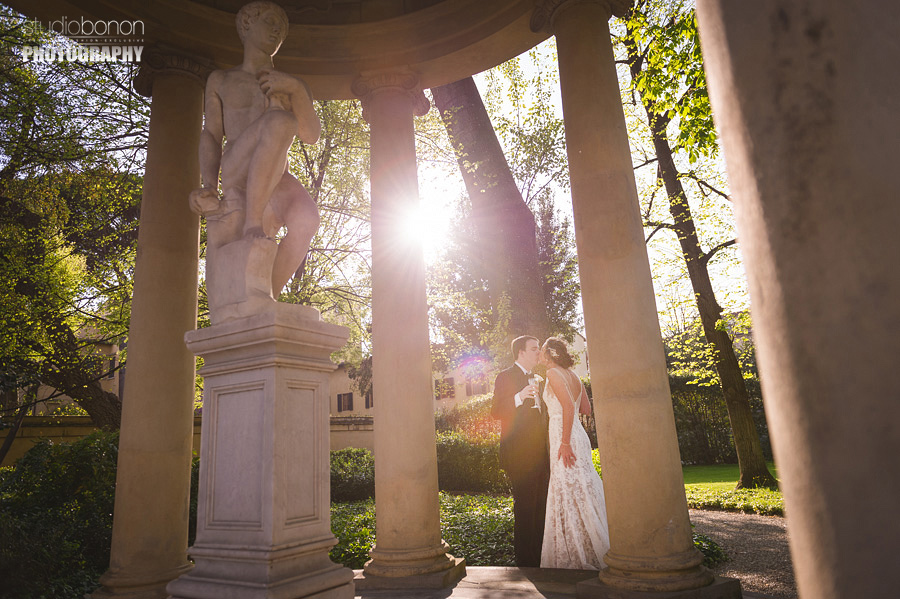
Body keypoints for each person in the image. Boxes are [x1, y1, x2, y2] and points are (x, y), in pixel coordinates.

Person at [190, 0, 321, 300]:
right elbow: (211, 134)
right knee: (278, 121)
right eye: (270, 21)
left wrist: (297, 90)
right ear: (247, 24)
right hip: (238, 166)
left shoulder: (291, 85)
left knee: (306, 220)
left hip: (278, 175)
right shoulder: (222, 80)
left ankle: (266, 296)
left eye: (282, 29)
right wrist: (209, 185)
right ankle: (253, 222)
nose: (277, 30)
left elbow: (311, 135)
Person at [539, 337, 610, 570]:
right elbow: (585, 409)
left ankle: (579, 553)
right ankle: (595, 542)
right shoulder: (575, 376)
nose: (540, 356)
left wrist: (565, 441)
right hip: (579, 434)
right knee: (582, 485)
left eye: (542, 352)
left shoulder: (552, 374)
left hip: (565, 435)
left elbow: (569, 408)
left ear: (550, 354)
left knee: (566, 487)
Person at [491, 335, 550, 567]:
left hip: (541, 455)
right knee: (525, 508)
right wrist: (518, 397)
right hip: (518, 455)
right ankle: (526, 564)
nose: (539, 352)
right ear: (521, 352)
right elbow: (495, 412)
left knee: (541, 508)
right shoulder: (505, 376)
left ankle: (541, 559)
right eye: (534, 349)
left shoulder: (540, 378)